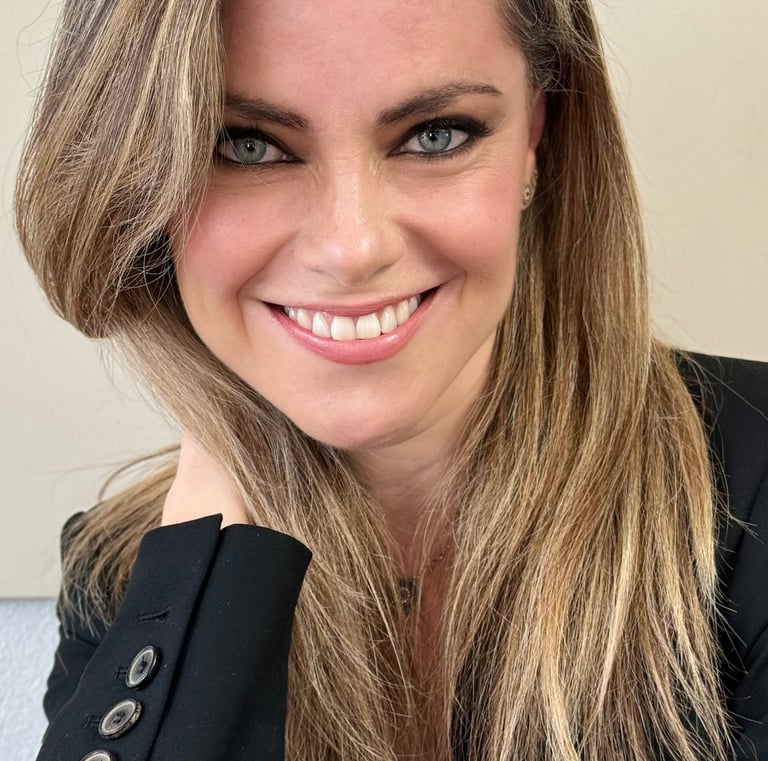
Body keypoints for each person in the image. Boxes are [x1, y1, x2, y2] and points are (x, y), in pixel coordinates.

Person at [15, 0, 768, 759]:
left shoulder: (753, 479)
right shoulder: (122, 569)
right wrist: (201, 585)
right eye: (246, 145)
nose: (353, 248)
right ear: (137, 177)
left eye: (436, 135)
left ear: (535, 136)